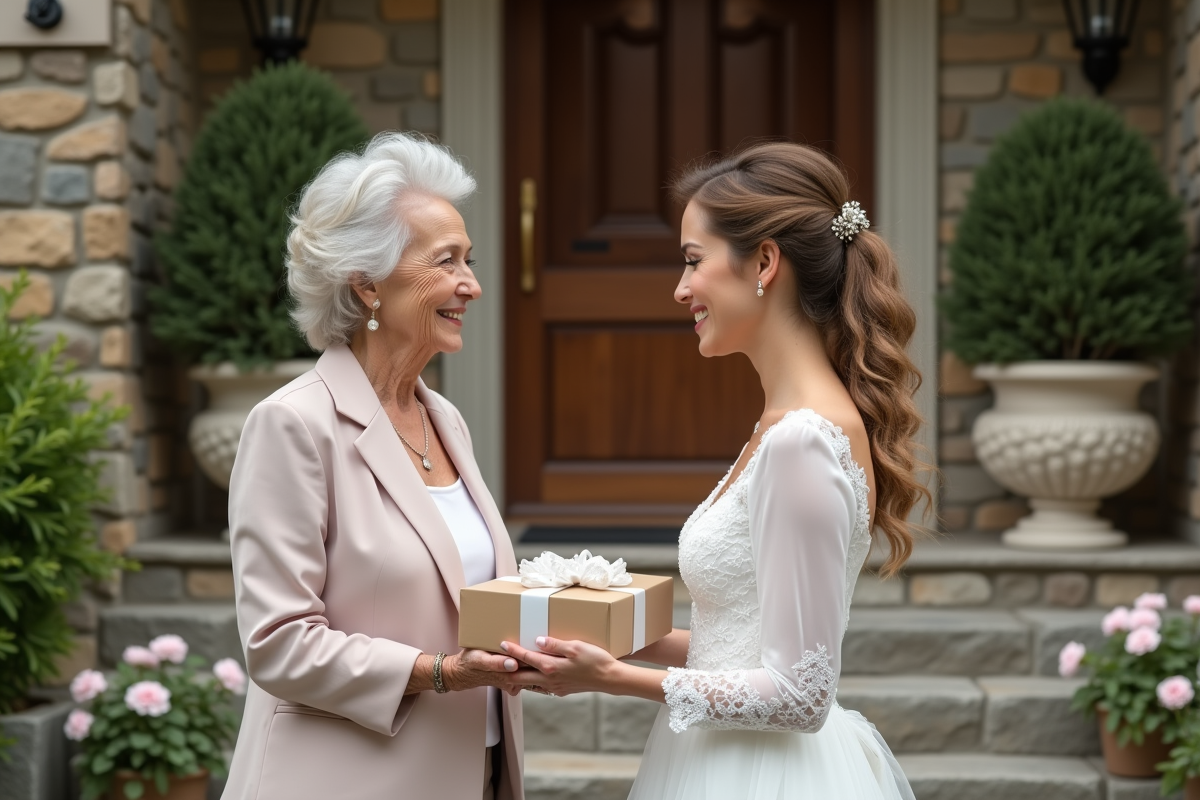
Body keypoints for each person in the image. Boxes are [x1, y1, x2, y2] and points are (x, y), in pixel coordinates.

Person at [503, 142, 926, 799]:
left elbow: (799, 695)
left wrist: (610, 679)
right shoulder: (781, 426)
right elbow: (740, 642)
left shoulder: (802, 442)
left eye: (693, 261)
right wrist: (602, 638)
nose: (680, 289)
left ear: (764, 262)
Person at [220, 132, 525, 800]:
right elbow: (278, 642)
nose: (471, 284)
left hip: (469, 773)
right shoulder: (292, 424)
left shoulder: (445, 419)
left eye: (468, 261)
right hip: (342, 780)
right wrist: (438, 671)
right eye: (446, 262)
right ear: (366, 287)